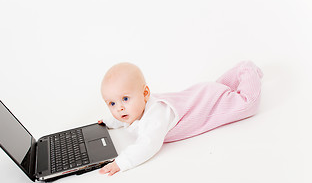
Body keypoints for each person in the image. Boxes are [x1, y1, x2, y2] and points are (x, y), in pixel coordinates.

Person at [98, 61, 263, 176]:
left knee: (247, 104)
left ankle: (246, 69)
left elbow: (148, 144)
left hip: (209, 104)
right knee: (222, 87)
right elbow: (124, 117)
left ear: (145, 94)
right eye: (112, 103)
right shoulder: (134, 109)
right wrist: (108, 123)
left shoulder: (155, 116)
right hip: (199, 94)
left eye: (125, 99)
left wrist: (121, 163)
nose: (119, 108)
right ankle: (235, 76)